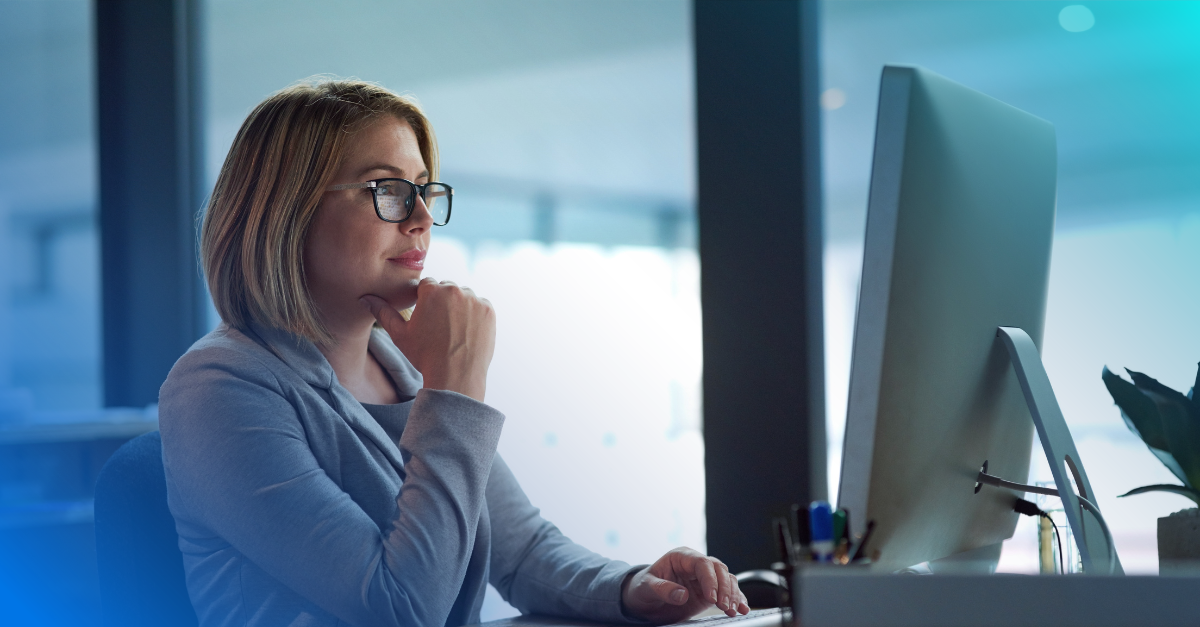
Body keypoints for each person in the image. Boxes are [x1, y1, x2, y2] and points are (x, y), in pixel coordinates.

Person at [159, 79, 749, 627]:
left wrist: (631, 587)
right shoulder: (219, 388)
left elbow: (521, 551)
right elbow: (401, 607)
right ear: (289, 210)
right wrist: (457, 386)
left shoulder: (400, 367)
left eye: (423, 190)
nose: (421, 218)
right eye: (387, 190)